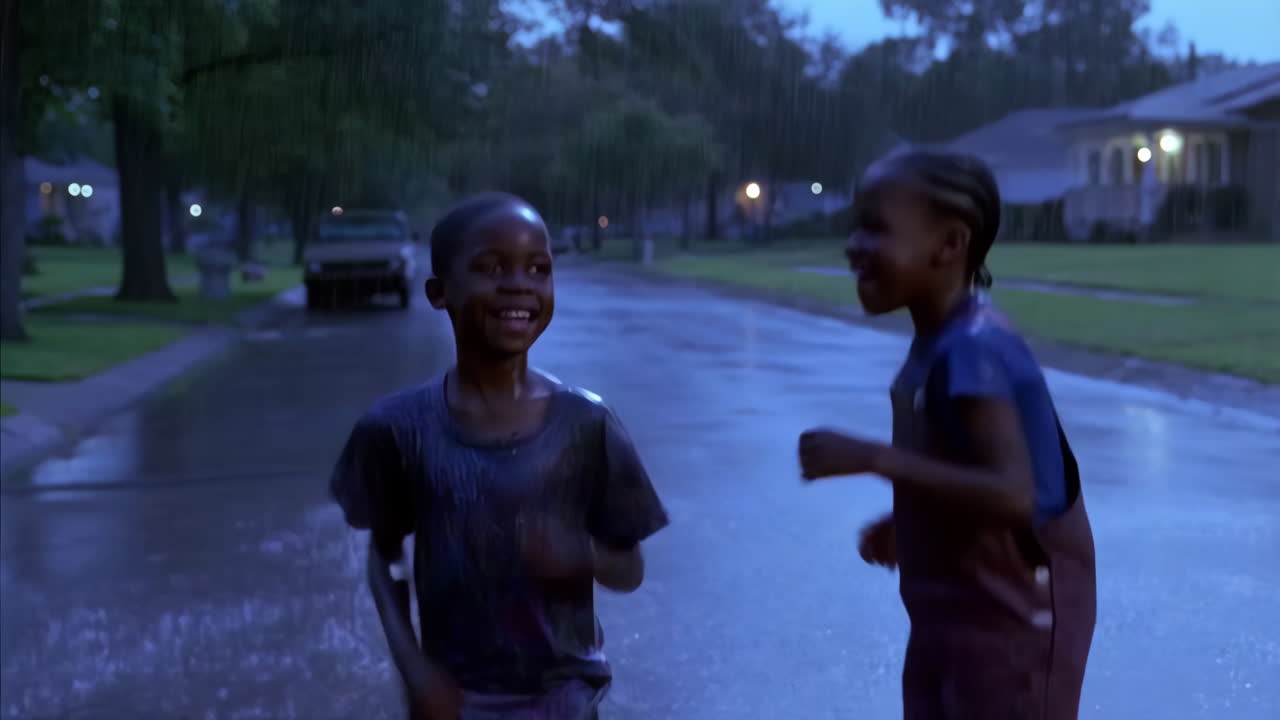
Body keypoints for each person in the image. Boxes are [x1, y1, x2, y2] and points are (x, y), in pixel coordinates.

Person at [330, 192, 669, 720]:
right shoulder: (396, 429)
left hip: (567, 700)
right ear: (439, 292)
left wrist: (579, 554)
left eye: (539, 268)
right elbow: (386, 557)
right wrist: (416, 671)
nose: (520, 284)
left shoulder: (586, 424)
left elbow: (630, 570)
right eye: (491, 267)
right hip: (454, 702)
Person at [797, 152, 1097, 719]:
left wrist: (874, 458)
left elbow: (1014, 493)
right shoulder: (939, 341)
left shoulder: (974, 349)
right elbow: (963, 462)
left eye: (877, 228)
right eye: (857, 225)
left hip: (1015, 615)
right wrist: (914, 520)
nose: (855, 244)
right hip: (955, 609)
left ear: (950, 245)